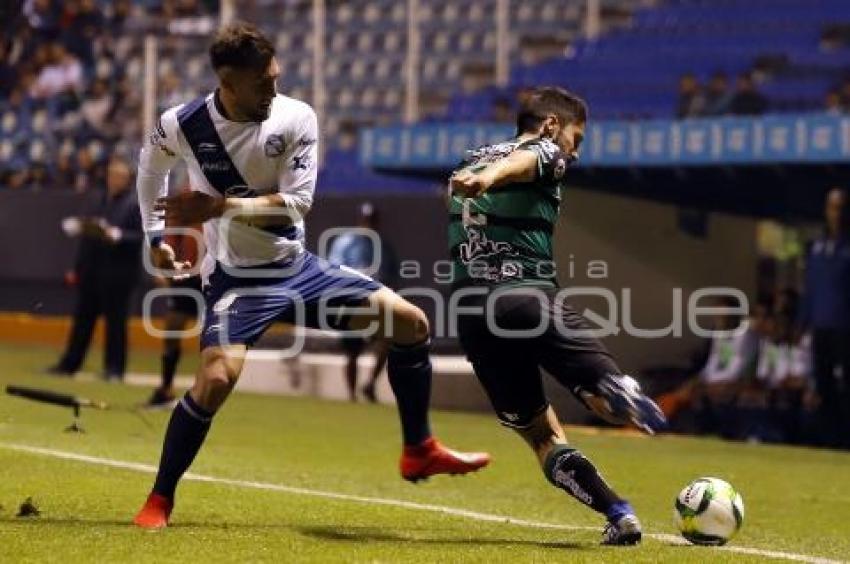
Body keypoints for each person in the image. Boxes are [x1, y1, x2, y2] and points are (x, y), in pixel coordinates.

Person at [133, 22, 490, 529]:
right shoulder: (182, 124)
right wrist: (155, 238)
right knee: (215, 379)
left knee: (412, 324)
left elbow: (298, 205)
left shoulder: (297, 116)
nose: (273, 90)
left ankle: (419, 448)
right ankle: (160, 499)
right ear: (228, 84)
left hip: (299, 270)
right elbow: (151, 170)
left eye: (276, 78)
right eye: (262, 83)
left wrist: (218, 206)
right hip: (238, 281)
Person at [447, 86, 666, 546]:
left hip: (471, 311)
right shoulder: (544, 150)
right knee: (602, 397)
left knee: (542, 435)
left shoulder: (469, 160)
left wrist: (484, 179)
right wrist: (495, 179)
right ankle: (608, 387)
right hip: (526, 298)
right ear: (550, 125)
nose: (576, 151)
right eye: (576, 138)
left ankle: (617, 511)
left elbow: (495, 180)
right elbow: (526, 162)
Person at [48, 154, 143, 379]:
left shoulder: (134, 204)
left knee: (116, 323)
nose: (114, 179)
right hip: (93, 270)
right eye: (112, 175)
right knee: (82, 320)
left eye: (120, 176)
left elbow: (140, 237)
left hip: (119, 273)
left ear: (128, 179)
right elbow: (87, 238)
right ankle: (69, 364)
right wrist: (77, 267)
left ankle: (114, 369)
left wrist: (117, 235)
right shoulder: (97, 199)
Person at [326, 202, 395, 403]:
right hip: (352, 301)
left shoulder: (383, 246)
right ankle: (351, 394)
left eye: (372, 220)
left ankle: (370, 384)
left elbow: (392, 275)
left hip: (377, 303)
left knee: (385, 342)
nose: (369, 224)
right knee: (352, 351)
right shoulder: (345, 242)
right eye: (366, 220)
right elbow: (334, 271)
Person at [800, 187, 850, 448]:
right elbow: (809, 289)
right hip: (821, 326)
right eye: (833, 207)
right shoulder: (817, 247)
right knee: (824, 384)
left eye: (841, 207)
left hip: (845, 326)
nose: (837, 213)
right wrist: (802, 322)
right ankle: (830, 440)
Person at [146, 212, 203, 409]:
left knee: (214, 336)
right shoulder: (186, 194)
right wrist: (164, 266)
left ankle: (205, 393)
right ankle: (166, 388)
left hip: (214, 272)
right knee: (172, 331)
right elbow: (171, 234)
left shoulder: (227, 191)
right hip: (186, 273)